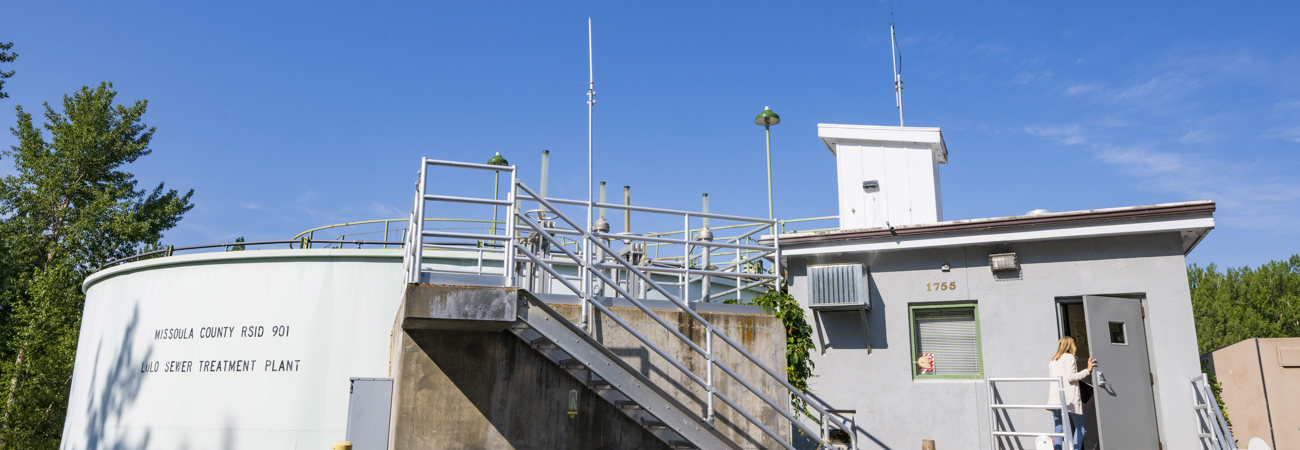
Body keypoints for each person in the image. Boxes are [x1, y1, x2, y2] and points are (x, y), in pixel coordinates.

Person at [1047, 336, 1096, 450]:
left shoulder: (1053, 360)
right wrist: (1088, 370)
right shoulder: (1069, 357)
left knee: (1058, 427)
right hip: (1069, 398)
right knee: (1080, 426)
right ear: (1070, 345)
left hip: (1055, 398)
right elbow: (1071, 377)